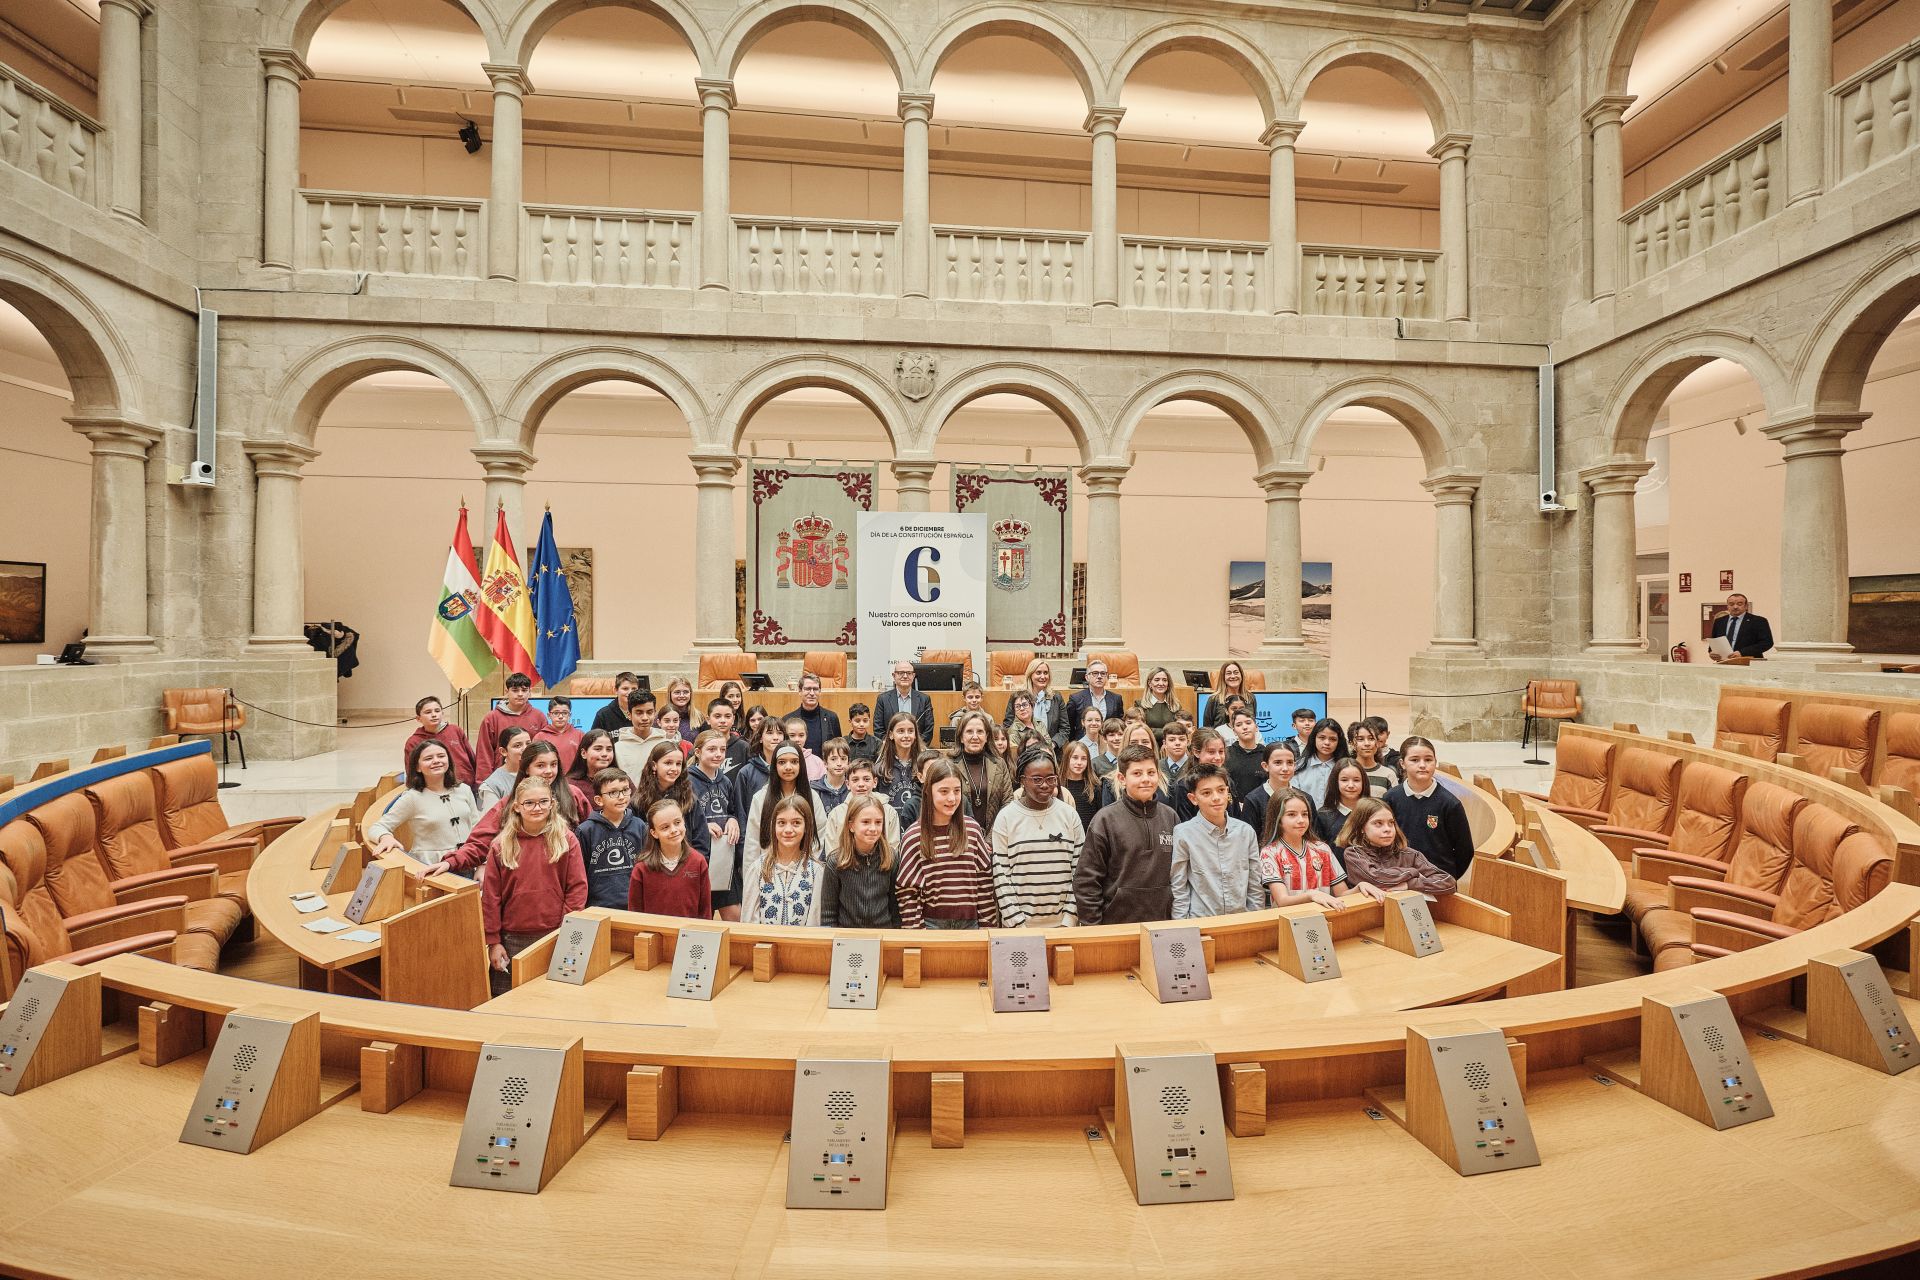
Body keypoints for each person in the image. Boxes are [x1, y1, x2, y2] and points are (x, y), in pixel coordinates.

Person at [480, 778, 587, 997]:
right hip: (511, 938)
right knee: (508, 1001)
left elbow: (577, 889)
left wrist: (565, 933)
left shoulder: (567, 840)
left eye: (542, 802)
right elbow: (490, 898)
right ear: (517, 807)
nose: (537, 808)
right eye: (529, 803)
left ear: (552, 803)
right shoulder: (501, 845)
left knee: (555, 1000)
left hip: (555, 934)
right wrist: (493, 941)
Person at [1074, 744, 1177, 925]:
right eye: (1137, 773)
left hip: (1163, 924)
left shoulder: (1171, 817)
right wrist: (1093, 928)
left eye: (1151, 773)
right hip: (1116, 925)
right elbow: (1087, 880)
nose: (1146, 779)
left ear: (1159, 776)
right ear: (1122, 778)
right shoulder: (1105, 819)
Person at [896, 759, 1000, 930]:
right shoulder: (913, 836)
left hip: (970, 923)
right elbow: (907, 892)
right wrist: (915, 932)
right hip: (930, 925)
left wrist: (988, 926)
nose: (951, 798)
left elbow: (984, 882)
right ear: (928, 791)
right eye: (943, 791)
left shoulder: (972, 830)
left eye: (957, 791)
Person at [991, 746, 1084, 928]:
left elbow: (1080, 871)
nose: (1045, 785)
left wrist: (1069, 920)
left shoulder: (1069, 815)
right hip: (1020, 928)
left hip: (1064, 926)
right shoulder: (1006, 817)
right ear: (1022, 781)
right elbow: (1001, 876)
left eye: (1051, 779)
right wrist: (1018, 925)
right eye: (1037, 779)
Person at [1169, 761, 1264, 920]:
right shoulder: (1184, 833)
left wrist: (1256, 918)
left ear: (1228, 792)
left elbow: (1254, 884)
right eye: (1206, 793)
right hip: (1201, 921)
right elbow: (1179, 887)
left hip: (1241, 919)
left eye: (1221, 790)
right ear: (1193, 798)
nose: (1216, 798)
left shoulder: (1245, 832)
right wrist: (1180, 925)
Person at [367, 738, 481, 863]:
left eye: (441, 756)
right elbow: (377, 827)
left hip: (468, 860)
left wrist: (482, 862)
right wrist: (385, 838)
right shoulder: (412, 798)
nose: (436, 761)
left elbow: (478, 827)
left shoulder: (464, 790)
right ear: (418, 767)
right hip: (430, 865)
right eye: (428, 758)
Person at [1383, 736, 1475, 880]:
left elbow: (1465, 850)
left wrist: (1447, 877)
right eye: (1414, 760)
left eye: (1428, 759)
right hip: (1399, 879)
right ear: (1402, 763)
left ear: (1435, 762)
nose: (1422, 765)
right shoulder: (1390, 798)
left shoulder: (1450, 803)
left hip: (1438, 881)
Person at [1340, 798, 1456, 898]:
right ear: (1361, 828)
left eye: (1391, 823)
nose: (1387, 829)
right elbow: (1376, 878)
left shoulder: (1409, 854)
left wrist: (1409, 885)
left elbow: (1448, 882)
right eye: (1378, 823)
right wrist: (1413, 872)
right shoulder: (1353, 853)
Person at [740, 794, 826, 926]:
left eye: (796, 823)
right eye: (781, 823)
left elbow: (815, 921)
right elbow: (749, 921)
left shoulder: (816, 872)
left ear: (807, 827)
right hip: (763, 944)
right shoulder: (758, 869)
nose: (788, 830)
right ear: (773, 826)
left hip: (801, 945)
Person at [1256, 790, 1350, 910]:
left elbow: (1342, 894)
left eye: (1305, 814)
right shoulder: (1269, 853)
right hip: (1288, 922)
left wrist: (1361, 886)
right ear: (1278, 820)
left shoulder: (1322, 849)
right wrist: (1312, 895)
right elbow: (1282, 900)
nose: (1301, 820)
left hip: (1323, 919)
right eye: (1292, 814)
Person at [743, 743, 830, 873]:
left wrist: (805, 864)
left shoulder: (812, 797)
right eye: (782, 762)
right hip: (769, 869)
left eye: (794, 762)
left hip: (803, 870)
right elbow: (752, 842)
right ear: (774, 765)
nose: (788, 767)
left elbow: (820, 834)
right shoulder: (760, 798)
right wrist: (751, 875)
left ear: (801, 765)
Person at [818, 794, 900, 928]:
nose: (873, 828)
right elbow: (828, 915)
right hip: (848, 938)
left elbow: (895, 908)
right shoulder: (835, 861)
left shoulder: (891, 857)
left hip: (883, 934)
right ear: (851, 825)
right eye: (866, 822)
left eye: (878, 822)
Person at [687, 729, 744, 920]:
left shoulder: (726, 781)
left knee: (735, 917)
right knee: (703, 920)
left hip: (724, 860)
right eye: (712, 749)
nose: (718, 754)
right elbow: (682, 818)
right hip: (700, 858)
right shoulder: (686, 781)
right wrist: (704, 826)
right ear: (697, 752)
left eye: (722, 749)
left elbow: (733, 811)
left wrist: (733, 820)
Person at [626, 799, 711, 919]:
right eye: (665, 827)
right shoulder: (642, 869)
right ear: (654, 833)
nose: (673, 830)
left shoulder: (698, 862)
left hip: (688, 935)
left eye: (677, 822)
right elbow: (635, 914)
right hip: (653, 935)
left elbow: (705, 910)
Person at [576, 766, 646, 909]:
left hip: (634, 905)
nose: (621, 797)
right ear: (599, 800)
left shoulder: (640, 826)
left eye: (625, 790)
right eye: (613, 792)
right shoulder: (585, 831)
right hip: (598, 906)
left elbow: (647, 866)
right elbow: (579, 874)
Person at [634, 739, 704, 861]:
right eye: (668, 763)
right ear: (654, 765)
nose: (674, 768)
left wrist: (695, 868)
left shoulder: (689, 799)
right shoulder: (639, 801)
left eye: (678, 764)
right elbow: (635, 842)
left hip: (685, 866)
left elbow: (701, 839)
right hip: (652, 866)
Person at [951, 709, 1013, 836]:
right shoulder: (949, 765)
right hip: (959, 838)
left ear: (986, 737)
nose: (975, 736)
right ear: (961, 737)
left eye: (980, 731)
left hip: (995, 838)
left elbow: (1007, 803)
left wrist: (990, 839)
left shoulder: (999, 764)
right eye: (969, 732)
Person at [476, 673, 550, 777]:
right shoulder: (492, 718)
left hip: (532, 777)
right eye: (515, 690)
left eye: (524, 690)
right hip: (502, 777)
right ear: (507, 692)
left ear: (530, 692)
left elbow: (544, 751)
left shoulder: (539, 716)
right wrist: (483, 782)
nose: (520, 694)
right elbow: (484, 754)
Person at [820, 757, 900, 852]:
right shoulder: (837, 814)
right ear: (847, 784)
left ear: (875, 782)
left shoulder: (889, 811)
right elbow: (832, 851)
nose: (861, 784)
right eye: (855, 780)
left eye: (866, 779)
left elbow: (893, 848)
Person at [402, 695, 477, 788]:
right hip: (436, 789)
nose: (434, 715)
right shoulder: (413, 742)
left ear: (442, 713)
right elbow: (412, 771)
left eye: (437, 711)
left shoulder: (455, 730)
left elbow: (471, 757)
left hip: (466, 785)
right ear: (418, 718)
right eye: (428, 712)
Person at [1242, 739, 1299, 844]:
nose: (1285, 768)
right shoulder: (1253, 800)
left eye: (1290, 763)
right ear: (1265, 766)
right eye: (1278, 763)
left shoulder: (1304, 798)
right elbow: (1248, 841)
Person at [874, 712, 924, 828]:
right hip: (889, 828)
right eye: (901, 731)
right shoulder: (880, 769)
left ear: (915, 735)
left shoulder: (923, 766)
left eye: (910, 731)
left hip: (918, 827)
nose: (906, 735)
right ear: (891, 735)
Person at [874, 660, 934, 746]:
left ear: (913, 676)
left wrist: (917, 746)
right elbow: (878, 729)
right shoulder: (883, 699)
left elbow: (928, 729)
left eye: (909, 673)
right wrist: (891, 747)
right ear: (894, 676)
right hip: (890, 749)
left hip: (917, 749)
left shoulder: (924, 699)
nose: (905, 676)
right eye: (901, 673)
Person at [614, 688, 672, 776]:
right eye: (639, 713)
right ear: (629, 715)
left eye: (649, 712)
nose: (645, 718)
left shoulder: (666, 744)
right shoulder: (618, 748)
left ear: (655, 713)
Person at [1010, 658, 1068, 745]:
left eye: (1045, 673)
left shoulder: (1056, 697)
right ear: (1030, 675)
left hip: (1052, 751)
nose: (1043, 676)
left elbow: (1065, 729)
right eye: (1038, 673)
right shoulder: (1018, 697)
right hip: (1024, 751)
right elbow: (1008, 724)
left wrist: (1052, 744)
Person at [1292, 717, 1348, 806]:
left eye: (1333, 739)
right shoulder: (1299, 765)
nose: (1327, 742)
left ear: (1339, 742)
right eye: (1322, 737)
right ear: (1314, 738)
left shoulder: (1346, 768)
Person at [1315, 759, 1370, 847]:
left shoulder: (1373, 812)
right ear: (1335, 782)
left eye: (1356, 780)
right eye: (1344, 780)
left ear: (1364, 782)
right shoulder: (1323, 815)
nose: (1351, 785)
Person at [478, 727, 532, 813]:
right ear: (503, 751)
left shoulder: (537, 772)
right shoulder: (493, 785)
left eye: (528, 744)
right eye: (517, 745)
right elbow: (491, 820)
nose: (525, 749)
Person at [1065, 659, 1124, 735]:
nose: (1099, 676)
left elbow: (1119, 725)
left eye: (1103, 673)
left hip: (1108, 743)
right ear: (1087, 677)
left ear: (1106, 677)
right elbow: (1069, 726)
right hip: (1083, 744)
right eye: (1095, 673)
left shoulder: (1116, 699)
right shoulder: (1076, 699)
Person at [1710, 593, 1774, 660]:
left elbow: (1767, 643)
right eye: (1731, 604)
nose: (1735, 607)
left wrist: (1742, 652)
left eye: (1739, 604)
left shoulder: (1759, 621)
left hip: (1749, 663)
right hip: (1723, 662)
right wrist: (1712, 652)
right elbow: (1714, 642)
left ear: (1746, 606)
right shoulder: (1719, 621)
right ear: (1727, 606)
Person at [1223, 707, 1267, 801]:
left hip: (1261, 807)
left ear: (1256, 727)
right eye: (1239, 725)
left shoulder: (1267, 754)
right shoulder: (1226, 754)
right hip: (1232, 808)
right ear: (1234, 731)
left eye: (1248, 723)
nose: (1245, 727)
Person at [791, 673, 842, 754]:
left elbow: (839, 748)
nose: (812, 693)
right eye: (808, 689)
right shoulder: (788, 719)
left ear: (820, 692)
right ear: (800, 691)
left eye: (815, 689)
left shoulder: (832, 718)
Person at [1059, 739, 1102, 830]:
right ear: (1067, 759)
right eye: (1075, 757)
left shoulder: (1094, 786)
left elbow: (1099, 818)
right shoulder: (1058, 786)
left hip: (1088, 838)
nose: (1079, 762)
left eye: (1083, 758)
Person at [534, 695, 582, 773]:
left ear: (570, 715)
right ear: (549, 715)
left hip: (574, 780)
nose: (560, 716)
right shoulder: (540, 737)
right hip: (548, 778)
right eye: (556, 713)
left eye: (564, 713)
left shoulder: (580, 735)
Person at [702, 699, 753, 772]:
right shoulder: (700, 748)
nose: (723, 720)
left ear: (733, 719)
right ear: (708, 719)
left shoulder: (744, 748)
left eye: (727, 716)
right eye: (717, 716)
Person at [1348, 722, 1400, 793]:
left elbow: (1394, 802)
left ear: (1377, 743)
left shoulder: (1388, 774)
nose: (1367, 743)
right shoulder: (1344, 771)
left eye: (1371, 739)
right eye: (1360, 739)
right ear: (1351, 744)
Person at [565, 728, 617, 798]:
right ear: (584, 753)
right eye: (598, 749)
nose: (605, 754)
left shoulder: (621, 780)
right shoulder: (570, 785)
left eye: (609, 749)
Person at [1203, 661, 1253, 729]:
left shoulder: (1250, 698)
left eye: (1236, 673)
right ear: (1223, 677)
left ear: (1241, 675)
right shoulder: (1214, 699)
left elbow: (1252, 722)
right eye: (1228, 673)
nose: (1233, 676)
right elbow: (1207, 728)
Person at [780, 713, 827, 782]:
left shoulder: (817, 762)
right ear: (785, 736)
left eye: (801, 735)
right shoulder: (779, 759)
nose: (797, 739)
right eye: (792, 735)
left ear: (806, 736)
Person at [1133, 667, 1179, 735]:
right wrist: (1169, 732)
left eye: (1164, 680)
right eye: (1157, 680)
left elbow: (1178, 730)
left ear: (1168, 684)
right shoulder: (1140, 705)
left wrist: (1152, 730)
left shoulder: (1176, 706)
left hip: (1171, 743)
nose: (1161, 683)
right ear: (1149, 683)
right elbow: (1141, 730)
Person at [814, 737, 852, 811]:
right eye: (833, 759)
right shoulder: (814, 790)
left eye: (843, 759)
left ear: (849, 763)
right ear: (825, 763)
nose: (839, 763)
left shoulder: (853, 788)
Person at [843, 701, 881, 765]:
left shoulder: (877, 743)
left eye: (865, 721)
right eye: (857, 721)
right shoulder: (843, 742)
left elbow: (879, 767)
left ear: (869, 721)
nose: (861, 724)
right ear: (850, 722)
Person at [663, 678, 699, 742]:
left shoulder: (698, 716)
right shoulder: (662, 716)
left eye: (686, 692)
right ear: (670, 694)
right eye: (677, 692)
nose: (682, 695)